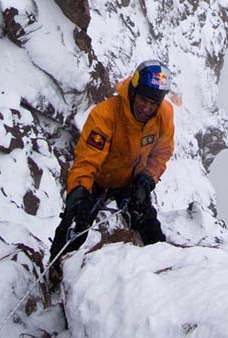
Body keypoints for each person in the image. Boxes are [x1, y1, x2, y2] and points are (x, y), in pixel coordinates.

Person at [48, 60, 174, 284]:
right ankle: (54, 270)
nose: (146, 108)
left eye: (152, 103)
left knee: (149, 227)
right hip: (98, 179)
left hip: (132, 181)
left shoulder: (163, 115)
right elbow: (86, 161)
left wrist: (147, 180)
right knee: (75, 224)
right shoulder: (105, 116)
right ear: (133, 92)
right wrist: (79, 192)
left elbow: (162, 151)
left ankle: (166, 274)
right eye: (143, 100)